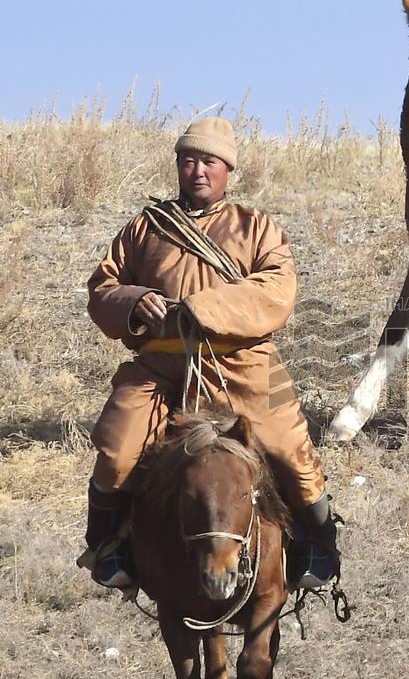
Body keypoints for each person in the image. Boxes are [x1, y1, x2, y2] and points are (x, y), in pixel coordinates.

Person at [78, 116, 341, 591]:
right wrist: (134, 301)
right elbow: (102, 288)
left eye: (210, 162)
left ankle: (318, 546)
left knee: (289, 449)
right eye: (189, 160)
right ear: (178, 166)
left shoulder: (256, 226)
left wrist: (202, 308)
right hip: (160, 361)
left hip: (243, 361)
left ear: (227, 170)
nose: (198, 170)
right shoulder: (144, 228)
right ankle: (106, 545)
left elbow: (277, 290)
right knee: (117, 450)